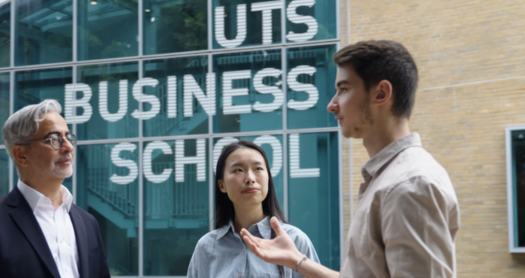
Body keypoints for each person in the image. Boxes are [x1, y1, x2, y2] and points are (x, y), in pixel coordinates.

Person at [240, 40, 460, 278]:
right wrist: (297, 260)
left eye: (343, 89)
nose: (332, 105)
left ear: (381, 93)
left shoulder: (410, 185)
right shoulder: (389, 180)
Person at [0, 99, 110, 278]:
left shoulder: (88, 222)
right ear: (21, 154)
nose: (68, 147)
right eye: (54, 139)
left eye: (68, 137)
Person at [187, 140, 320, 278]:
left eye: (258, 169)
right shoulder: (206, 247)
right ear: (222, 185)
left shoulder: (294, 239)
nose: (250, 179)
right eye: (238, 170)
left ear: (268, 179)